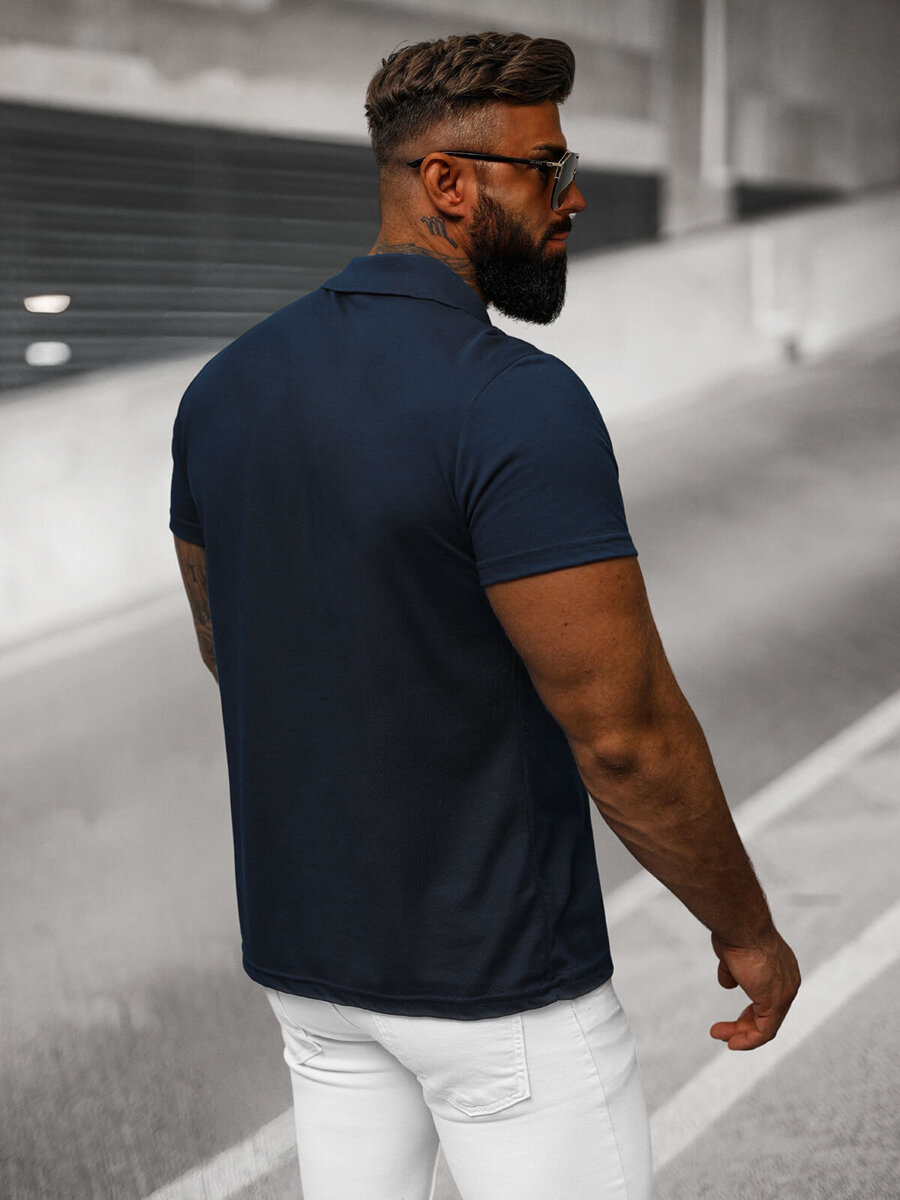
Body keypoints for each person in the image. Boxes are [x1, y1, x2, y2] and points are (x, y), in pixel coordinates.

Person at [169, 29, 800, 1200]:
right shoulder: (515, 403)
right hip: (502, 993)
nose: (574, 196)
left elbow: (232, 646)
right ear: (448, 184)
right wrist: (745, 928)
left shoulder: (224, 391)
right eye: (548, 168)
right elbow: (625, 735)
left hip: (313, 978)